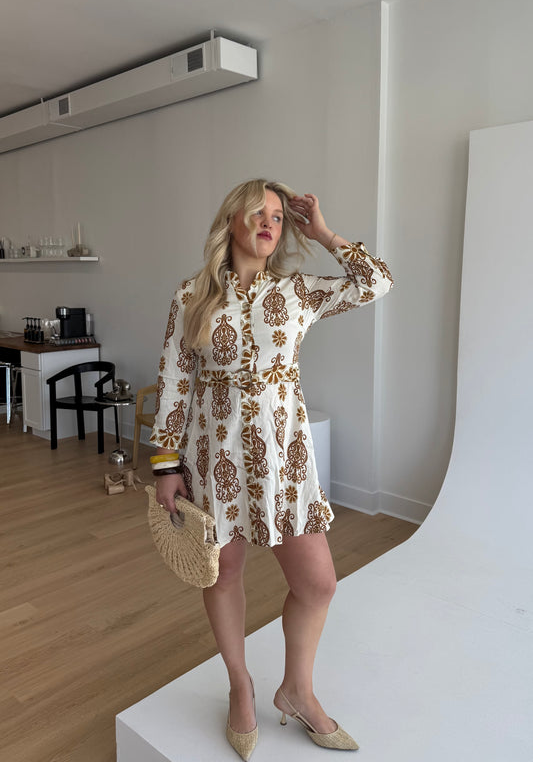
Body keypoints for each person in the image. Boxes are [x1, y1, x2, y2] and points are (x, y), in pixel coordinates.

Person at [150, 179, 393, 760]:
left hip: (284, 461)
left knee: (318, 583)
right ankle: (240, 685)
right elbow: (174, 381)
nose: (268, 222)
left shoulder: (298, 291)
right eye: (257, 212)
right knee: (223, 573)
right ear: (230, 220)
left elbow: (376, 281)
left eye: (279, 217)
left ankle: (296, 690)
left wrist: (324, 233)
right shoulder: (191, 296)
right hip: (214, 458)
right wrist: (165, 464)